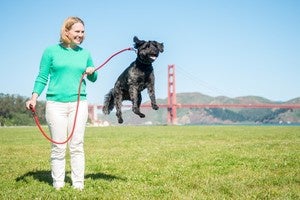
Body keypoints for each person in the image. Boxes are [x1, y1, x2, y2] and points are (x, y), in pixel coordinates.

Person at [26, 16, 98, 190]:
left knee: (77, 145)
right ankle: (58, 184)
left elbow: (94, 78)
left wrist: (92, 71)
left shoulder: (85, 53)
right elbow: (42, 77)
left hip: (78, 103)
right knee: (58, 145)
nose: (81, 35)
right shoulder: (50, 51)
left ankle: (78, 184)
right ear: (66, 32)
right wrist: (34, 97)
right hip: (55, 104)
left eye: (82, 31)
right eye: (77, 31)